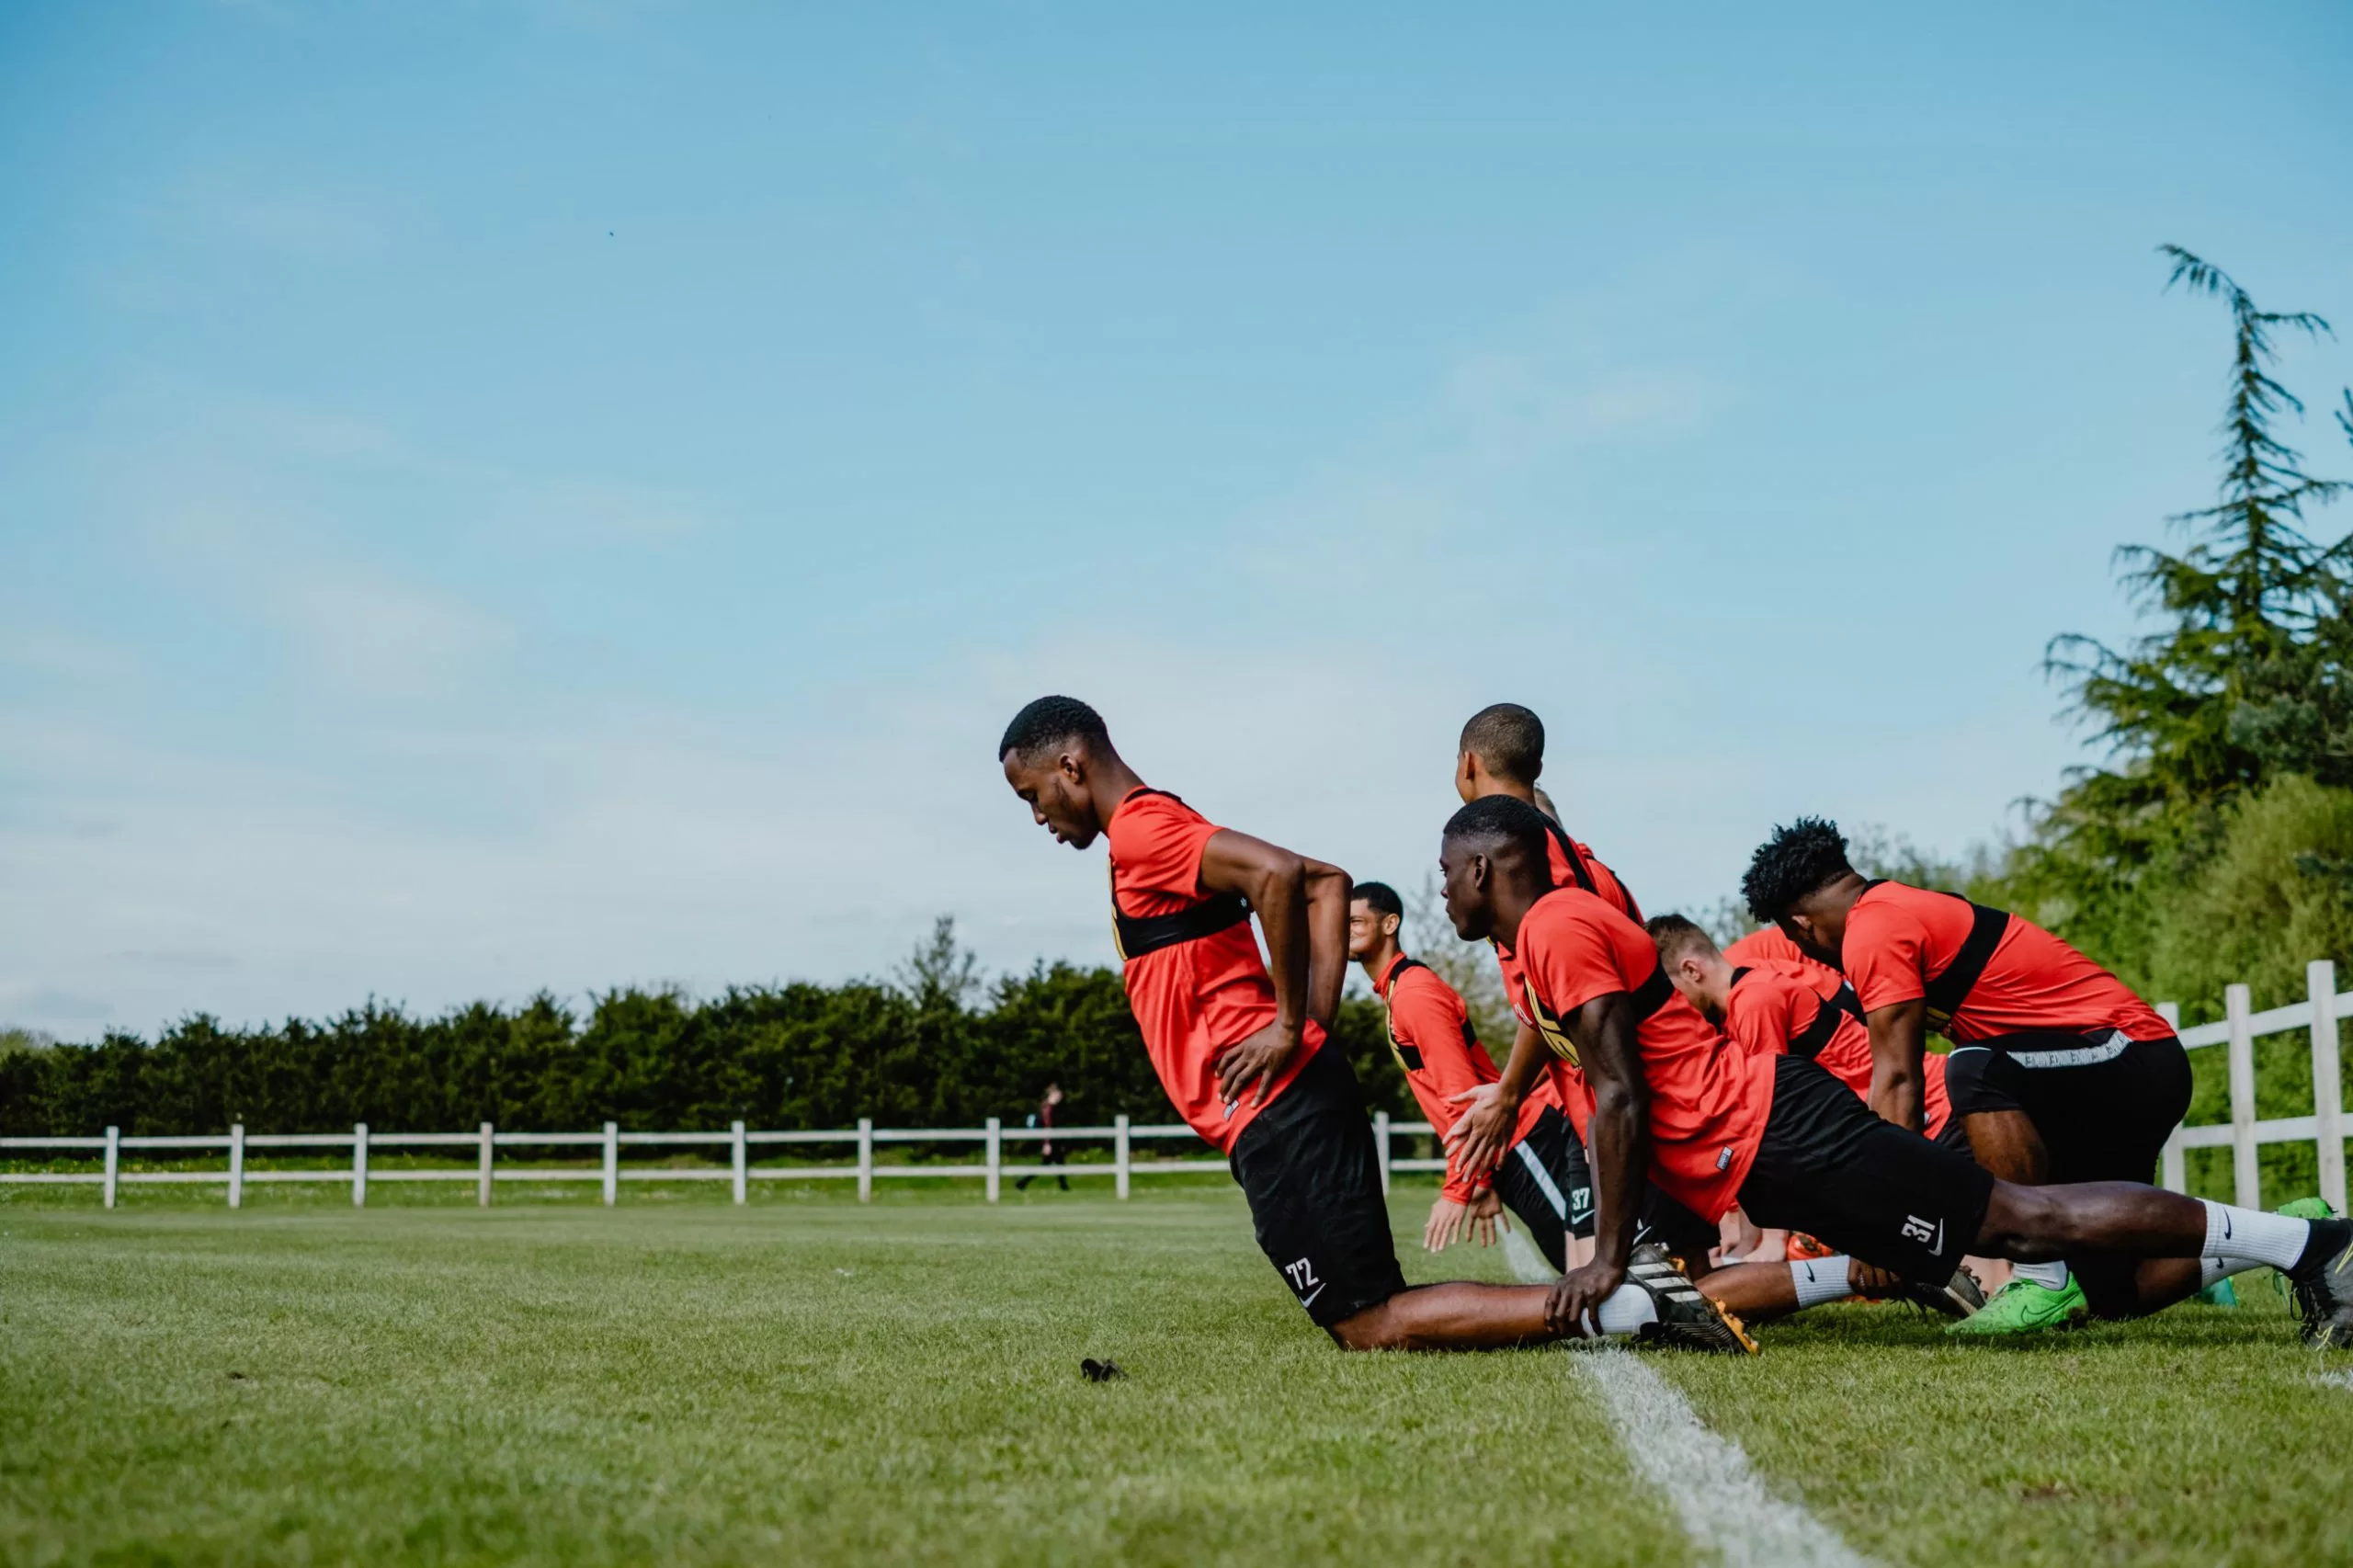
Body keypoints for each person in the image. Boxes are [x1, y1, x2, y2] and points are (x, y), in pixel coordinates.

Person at [1436, 794, 2353, 1351]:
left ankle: (2314, 1246)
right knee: (2059, 1257)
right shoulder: (1532, 944)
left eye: (1447, 873)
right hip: (1755, 1147)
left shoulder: (1556, 925)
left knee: (2030, 1224)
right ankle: (2293, 1245)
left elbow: (1622, 1092)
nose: (1441, 890)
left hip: (1779, 1132)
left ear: (1483, 864)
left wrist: (1603, 1258)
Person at [997, 696, 1748, 1352]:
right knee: (1365, 1316)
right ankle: (1628, 1304)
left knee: (1369, 1322)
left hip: (1274, 1110)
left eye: (1033, 793)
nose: (1037, 816)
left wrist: (1292, 1029)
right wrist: (1312, 1028)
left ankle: (1625, 1307)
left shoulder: (1139, 829)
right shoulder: (1156, 824)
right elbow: (1326, 883)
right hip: (1277, 1105)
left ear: (1071, 764)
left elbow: (1283, 877)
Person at [1739, 817, 2239, 1335]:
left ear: (1800, 925)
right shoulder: (1898, 908)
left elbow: (1897, 1081)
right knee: (2111, 1287)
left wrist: (1884, 1225)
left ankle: (2038, 1278)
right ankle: (2285, 1235)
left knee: (1974, 1069)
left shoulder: (1874, 930)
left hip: (2131, 1055)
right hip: (2102, 1077)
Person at [1648, 913, 1981, 1319]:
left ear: (1691, 969)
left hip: (1935, 1111)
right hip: (1902, 1122)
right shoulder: (1744, 1003)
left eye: (1672, 994)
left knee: (1992, 1230)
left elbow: (1772, 1118)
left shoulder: (1752, 1001)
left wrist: (1772, 1244)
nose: (1672, 1009)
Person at [1348, 880, 1595, 1270]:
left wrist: (1459, 1189)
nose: (1346, 930)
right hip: (1502, 1151)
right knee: (1572, 1263)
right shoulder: (1397, 992)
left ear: (1390, 924)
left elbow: (1460, 1095)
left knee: (1585, 1263)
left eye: (1357, 921)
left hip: (1519, 1139)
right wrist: (1483, 1183)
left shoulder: (1413, 992)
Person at [1014, 1084, 1068, 1192]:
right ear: (1053, 1094)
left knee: (1057, 1162)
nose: (1060, 1096)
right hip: (1049, 1140)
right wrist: (1046, 1143)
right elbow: (1047, 1126)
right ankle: (1022, 1183)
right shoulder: (1048, 1108)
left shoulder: (1051, 1108)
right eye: (1058, 1094)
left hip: (1053, 1140)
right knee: (1050, 1163)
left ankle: (1063, 1186)